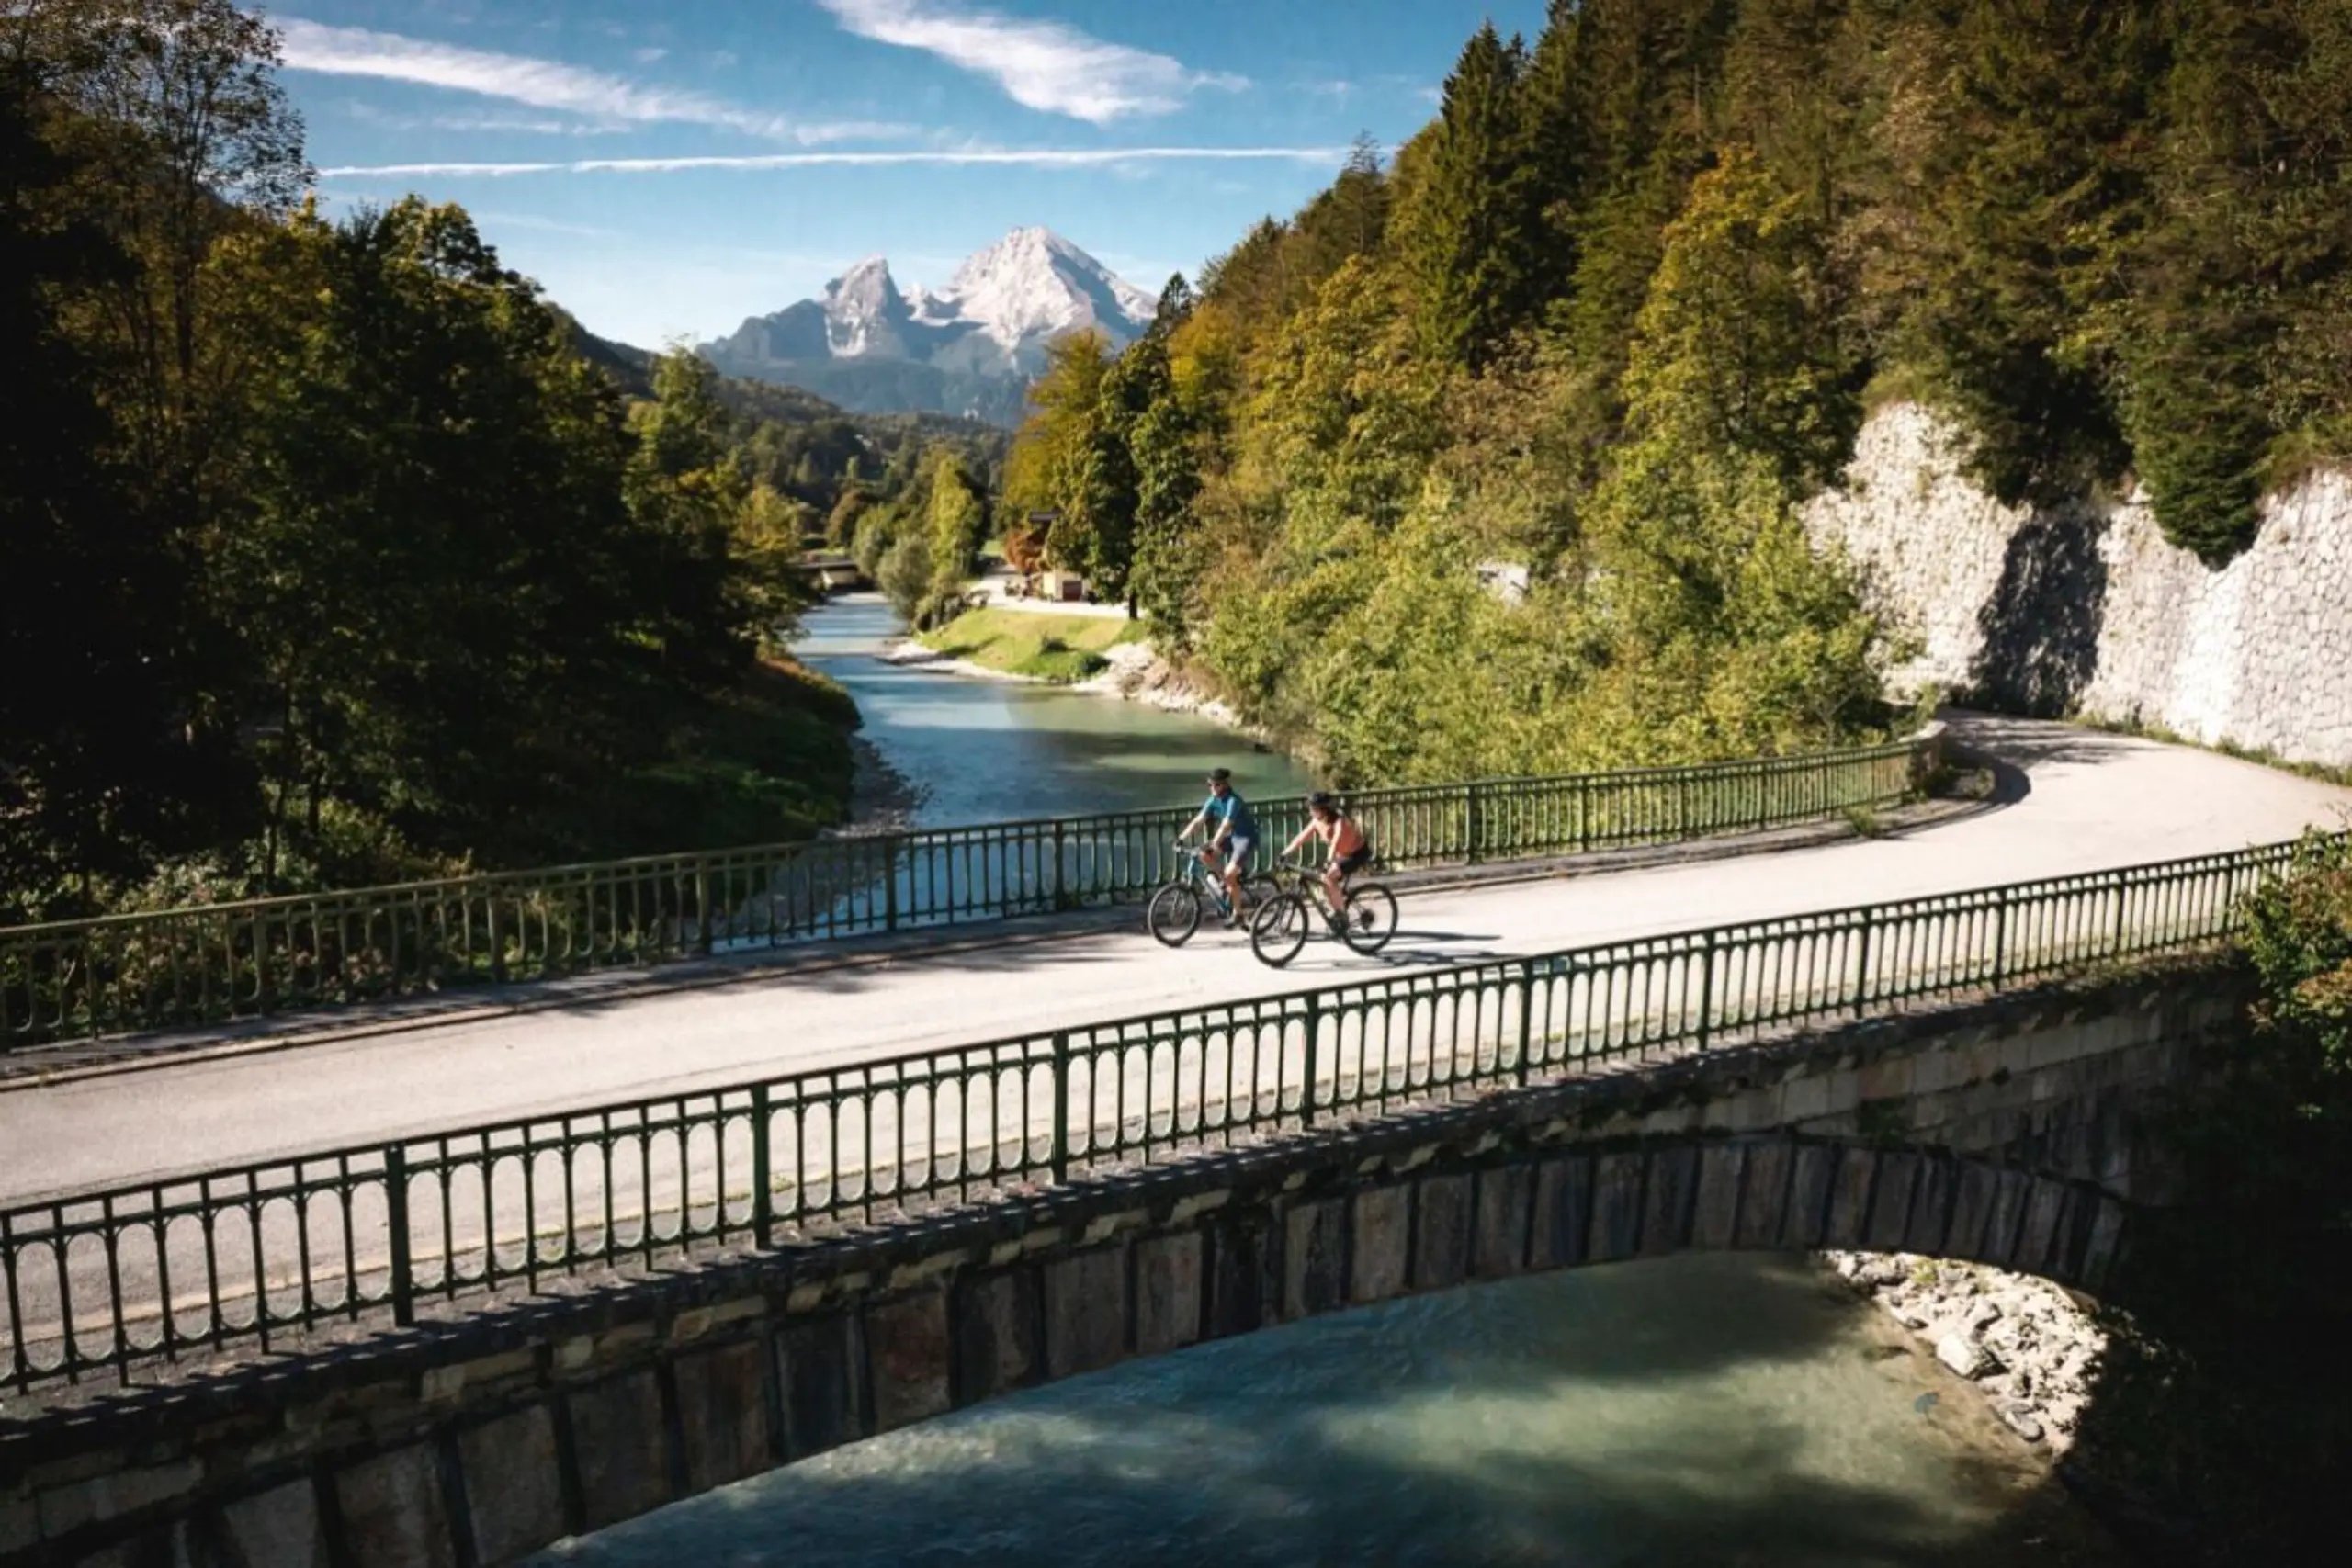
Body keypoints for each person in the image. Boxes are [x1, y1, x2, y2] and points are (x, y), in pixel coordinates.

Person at [1177, 767, 1258, 923]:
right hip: (1232, 837)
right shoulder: (1213, 800)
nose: (1213, 788)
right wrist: (1181, 838)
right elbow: (1198, 821)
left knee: (1229, 873)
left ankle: (1238, 914)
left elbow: (1225, 825)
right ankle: (1225, 884)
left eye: (1217, 785)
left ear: (1225, 785)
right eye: (1210, 785)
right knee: (1203, 855)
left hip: (1245, 838)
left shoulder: (1234, 801)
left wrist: (1214, 844)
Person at [1283, 792, 1374, 929]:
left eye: (1313, 809)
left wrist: (1329, 860)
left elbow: (1336, 840)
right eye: (1310, 808)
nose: (1310, 811)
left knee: (1330, 876)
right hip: (1342, 854)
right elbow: (1301, 838)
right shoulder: (1316, 821)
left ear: (1323, 810)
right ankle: (1336, 909)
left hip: (1357, 853)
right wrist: (1285, 853)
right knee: (1324, 880)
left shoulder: (1338, 821)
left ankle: (1342, 916)